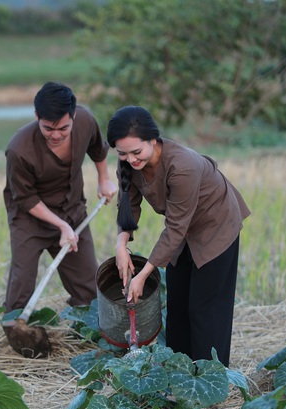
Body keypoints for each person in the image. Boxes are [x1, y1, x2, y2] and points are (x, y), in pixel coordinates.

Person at [107, 105, 250, 367]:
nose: (130, 159)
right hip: (182, 228)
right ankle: (180, 377)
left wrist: (143, 274)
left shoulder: (183, 165)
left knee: (205, 309)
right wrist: (121, 243)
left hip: (215, 225)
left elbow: (174, 228)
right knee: (178, 304)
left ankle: (209, 382)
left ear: (153, 139)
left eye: (137, 152)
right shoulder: (128, 161)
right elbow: (129, 204)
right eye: (122, 153)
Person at [3, 81, 118, 314]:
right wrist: (61, 226)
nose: (56, 135)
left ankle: (85, 327)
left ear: (73, 115)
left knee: (89, 290)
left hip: (72, 210)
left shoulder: (85, 121)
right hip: (30, 219)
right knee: (22, 283)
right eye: (48, 128)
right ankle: (17, 328)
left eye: (63, 128)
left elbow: (98, 149)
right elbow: (25, 199)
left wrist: (104, 179)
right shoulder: (18, 150)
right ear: (37, 116)